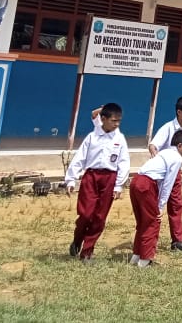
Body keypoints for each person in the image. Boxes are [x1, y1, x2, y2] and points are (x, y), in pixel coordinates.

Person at [63, 103, 130, 261]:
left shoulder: (119, 138)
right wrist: (71, 179)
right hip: (91, 177)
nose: (117, 124)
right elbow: (79, 158)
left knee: (99, 217)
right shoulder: (92, 137)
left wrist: (119, 184)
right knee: (85, 214)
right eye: (113, 121)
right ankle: (78, 239)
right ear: (104, 119)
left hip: (109, 179)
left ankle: (87, 251)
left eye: (119, 121)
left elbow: (124, 162)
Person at [130, 128, 182, 267]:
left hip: (136, 181)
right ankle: (145, 260)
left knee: (142, 221)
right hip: (146, 184)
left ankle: (136, 256)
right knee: (153, 221)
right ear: (180, 146)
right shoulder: (177, 159)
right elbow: (167, 185)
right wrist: (160, 207)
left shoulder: (164, 152)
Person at [148, 95, 182, 252]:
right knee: (156, 206)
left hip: (176, 173)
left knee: (176, 205)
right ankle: (149, 241)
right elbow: (153, 145)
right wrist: (159, 163)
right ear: (179, 112)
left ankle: (177, 240)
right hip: (162, 174)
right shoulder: (168, 128)